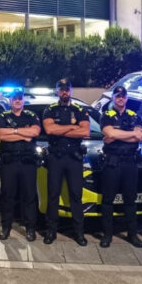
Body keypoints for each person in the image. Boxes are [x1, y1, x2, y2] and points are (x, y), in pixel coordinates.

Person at [42, 78, 90, 246]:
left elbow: (85, 132)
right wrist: (72, 128)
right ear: (57, 90)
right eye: (61, 88)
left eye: (67, 88)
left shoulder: (79, 109)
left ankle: (79, 233)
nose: (64, 91)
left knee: (76, 196)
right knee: (53, 195)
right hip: (56, 158)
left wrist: (60, 130)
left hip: (74, 158)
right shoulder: (50, 110)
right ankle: (51, 232)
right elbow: (49, 129)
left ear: (71, 90)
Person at [99, 86, 142, 248]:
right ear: (113, 97)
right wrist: (129, 134)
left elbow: (139, 136)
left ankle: (133, 235)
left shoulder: (134, 116)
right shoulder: (107, 115)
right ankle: (107, 235)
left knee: (130, 200)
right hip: (113, 162)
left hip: (130, 163)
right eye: (117, 96)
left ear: (126, 98)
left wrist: (117, 135)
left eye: (123, 96)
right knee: (108, 200)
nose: (120, 98)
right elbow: (109, 134)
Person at [0, 89, 40, 241]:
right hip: (9, 162)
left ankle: (30, 228)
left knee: (29, 196)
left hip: (27, 162)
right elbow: (2, 135)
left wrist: (12, 132)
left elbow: (34, 133)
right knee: (8, 196)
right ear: (10, 101)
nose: (17, 101)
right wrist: (22, 133)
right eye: (15, 98)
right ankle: (6, 227)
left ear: (23, 100)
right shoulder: (3, 116)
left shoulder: (31, 116)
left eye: (20, 98)